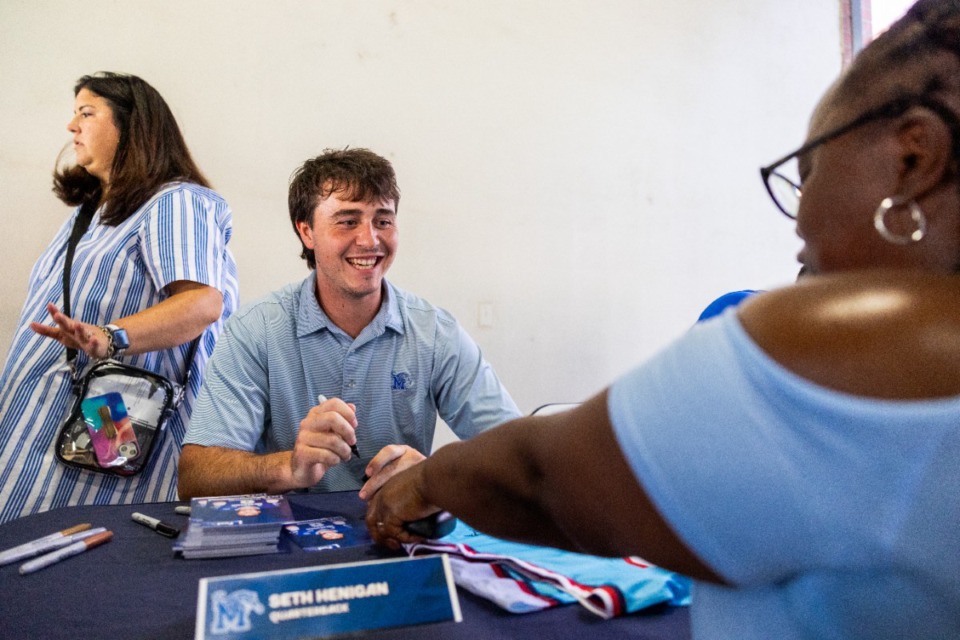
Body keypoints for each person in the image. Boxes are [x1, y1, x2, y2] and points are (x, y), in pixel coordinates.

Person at [366, 2, 960, 638]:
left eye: (807, 170)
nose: (798, 221)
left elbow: (545, 475)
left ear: (912, 158)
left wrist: (428, 478)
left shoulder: (846, 346)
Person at [178, 148, 520, 501]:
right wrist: (290, 466)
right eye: (348, 221)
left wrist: (431, 475)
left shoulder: (434, 332)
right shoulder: (255, 331)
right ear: (307, 232)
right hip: (287, 543)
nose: (370, 239)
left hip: (398, 535)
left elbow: (520, 456)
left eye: (383, 221)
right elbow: (195, 477)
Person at [0, 72, 239, 524]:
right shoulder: (92, 217)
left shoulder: (175, 202)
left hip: (106, 419)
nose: (72, 127)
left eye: (87, 113)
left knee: (77, 562)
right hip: (42, 427)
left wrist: (109, 338)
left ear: (132, 127)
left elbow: (203, 303)